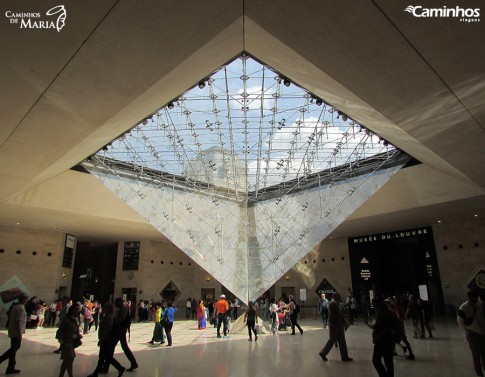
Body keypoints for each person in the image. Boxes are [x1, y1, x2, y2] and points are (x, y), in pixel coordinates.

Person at [88, 302, 125, 377]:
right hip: (106, 339)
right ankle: (119, 368)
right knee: (105, 357)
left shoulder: (108, 317)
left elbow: (107, 329)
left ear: (108, 309)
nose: (103, 308)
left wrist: (101, 339)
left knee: (103, 357)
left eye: (105, 307)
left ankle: (119, 368)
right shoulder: (108, 316)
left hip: (106, 339)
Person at [366, 298, 401, 377]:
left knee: (376, 360)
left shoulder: (382, 314)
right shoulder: (388, 312)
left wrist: (371, 327)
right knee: (388, 361)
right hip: (389, 340)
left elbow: (379, 327)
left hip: (382, 340)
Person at [103, 298, 138, 373]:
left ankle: (106, 366)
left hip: (120, 330)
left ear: (119, 302)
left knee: (111, 347)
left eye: (116, 302)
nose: (115, 304)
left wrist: (113, 319)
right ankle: (133, 363)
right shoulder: (122, 308)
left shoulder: (123, 308)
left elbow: (121, 319)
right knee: (122, 347)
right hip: (120, 330)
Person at [457, 290, 485, 377]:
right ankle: (479, 373)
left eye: (475, 300)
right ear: (467, 298)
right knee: (476, 354)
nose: (473, 302)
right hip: (472, 333)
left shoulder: (479, 305)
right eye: (471, 300)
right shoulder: (463, 308)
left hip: (482, 332)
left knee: (484, 353)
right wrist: (466, 332)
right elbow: (460, 321)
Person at [318, 292, 353, 362]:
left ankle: (344, 356)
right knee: (332, 339)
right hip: (335, 324)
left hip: (339, 324)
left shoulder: (337, 303)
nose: (340, 297)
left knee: (342, 340)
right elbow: (333, 315)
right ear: (335, 297)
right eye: (339, 296)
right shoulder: (333, 304)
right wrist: (342, 316)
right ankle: (323, 353)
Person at [0, 293, 28, 375]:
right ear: (23, 299)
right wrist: (20, 333)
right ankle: (4, 362)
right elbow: (18, 321)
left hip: (13, 331)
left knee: (14, 349)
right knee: (14, 348)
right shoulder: (21, 308)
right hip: (16, 332)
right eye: (26, 299)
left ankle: (10, 367)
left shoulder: (15, 306)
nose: (27, 301)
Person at [57, 303, 82, 377]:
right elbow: (60, 331)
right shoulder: (66, 319)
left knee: (67, 360)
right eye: (75, 310)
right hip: (66, 342)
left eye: (78, 310)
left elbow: (75, 330)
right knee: (70, 359)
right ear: (71, 310)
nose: (77, 311)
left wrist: (77, 335)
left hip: (72, 342)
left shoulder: (76, 319)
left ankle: (61, 375)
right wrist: (61, 342)